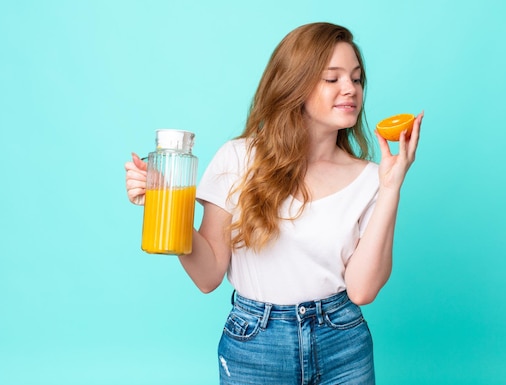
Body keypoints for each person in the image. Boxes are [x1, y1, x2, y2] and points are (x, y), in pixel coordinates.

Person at [125, 22, 423, 385]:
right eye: (332, 79)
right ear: (295, 84)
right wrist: (164, 205)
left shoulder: (370, 178)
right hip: (255, 344)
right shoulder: (237, 159)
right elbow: (207, 276)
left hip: (341, 340)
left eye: (357, 79)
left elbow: (362, 290)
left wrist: (391, 186)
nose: (350, 89)